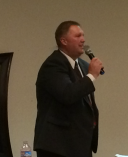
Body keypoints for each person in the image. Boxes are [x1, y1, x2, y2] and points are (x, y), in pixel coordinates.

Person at [33, 21, 103, 157]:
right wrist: (92, 75)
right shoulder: (53, 64)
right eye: (78, 36)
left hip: (81, 144)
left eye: (83, 35)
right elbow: (67, 94)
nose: (83, 40)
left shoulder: (83, 65)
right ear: (63, 41)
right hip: (57, 146)